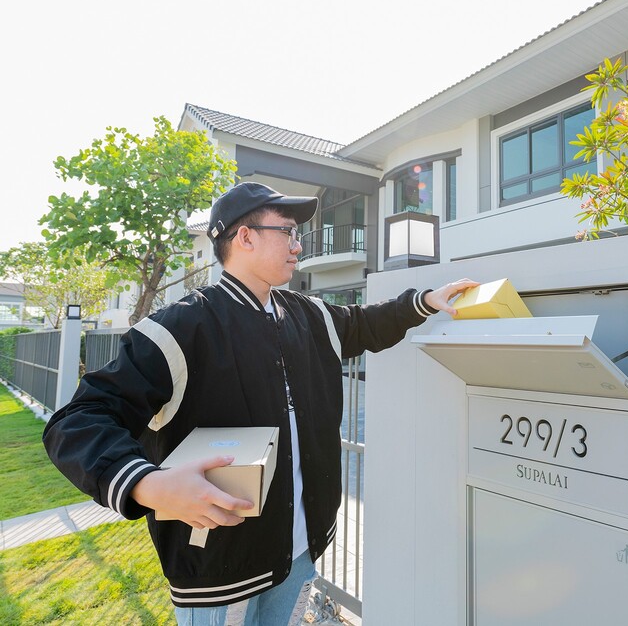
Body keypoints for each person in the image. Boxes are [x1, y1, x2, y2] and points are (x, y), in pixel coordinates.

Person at [43, 181, 478, 625]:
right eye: (287, 232)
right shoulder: (180, 327)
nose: (297, 246)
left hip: (301, 552)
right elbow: (77, 421)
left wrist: (424, 302)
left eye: (298, 235)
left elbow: (364, 324)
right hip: (219, 570)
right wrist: (147, 485)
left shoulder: (308, 314)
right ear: (244, 237)